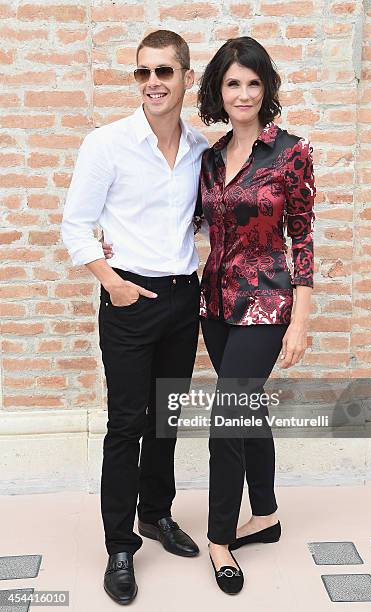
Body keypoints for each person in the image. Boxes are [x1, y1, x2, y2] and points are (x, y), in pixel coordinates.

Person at [61, 30, 208, 605]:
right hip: (130, 300)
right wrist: (115, 285)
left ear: (186, 79)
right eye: (143, 72)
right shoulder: (107, 144)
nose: (153, 83)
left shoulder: (200, 150)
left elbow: (199, 221)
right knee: (126, 423)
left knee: (165, 420)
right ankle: (119, 544)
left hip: (181, 297)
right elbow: (76, 225)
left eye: (165, 72)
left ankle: (157, 516)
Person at [194, 36, 317, 594]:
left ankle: (221, 538)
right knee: (246, 414)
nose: (242, 92)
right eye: (231, 83)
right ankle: (265, 515)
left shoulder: (291, 153)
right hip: (215, 306)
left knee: (227, 419)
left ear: (265, 88)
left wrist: (301, 318)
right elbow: (189, 223)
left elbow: (302, 237)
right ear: (218, 90)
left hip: (267, 305)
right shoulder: (211, 157)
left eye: (252, 82)